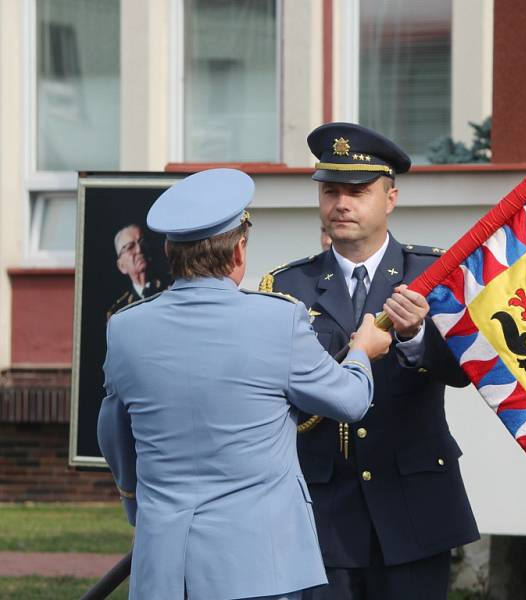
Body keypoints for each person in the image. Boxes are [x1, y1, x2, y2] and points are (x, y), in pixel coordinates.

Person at [97, 168, 392, 600]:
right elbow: (349, 401)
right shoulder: (277, 319)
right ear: (239, 252)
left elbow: (114, 434)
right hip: (258, 565)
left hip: (164, 564)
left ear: (168, 251)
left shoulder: (124, 329)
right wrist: (363, 352)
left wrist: (135, 506)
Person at [265, 123, 479, 600]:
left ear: (391, 198)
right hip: (325, 509)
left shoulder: (434, 273)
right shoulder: (286, 287)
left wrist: (417, 336)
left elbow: (468, 372)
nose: (341, 204)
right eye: (331, 191)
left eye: (358, 192)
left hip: (415, 504)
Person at [107, 224, 167, 319]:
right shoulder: (119, 312)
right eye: (130, 247)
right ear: (121, 266)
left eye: (142, 242)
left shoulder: (170, 290)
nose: (139, 250)